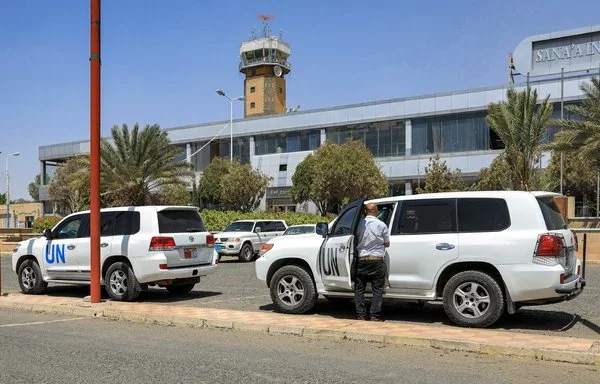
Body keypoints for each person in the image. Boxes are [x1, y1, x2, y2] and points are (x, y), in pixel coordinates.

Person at [354, 203, 390, 321]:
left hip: (362, 260)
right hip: (377, 261)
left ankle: (360, 314)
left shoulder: (358, 224)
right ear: (376, 211)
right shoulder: (382, 225)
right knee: (377, 290)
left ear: (365, 211)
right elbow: (387, 243)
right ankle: (374, 315)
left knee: (359, 289)